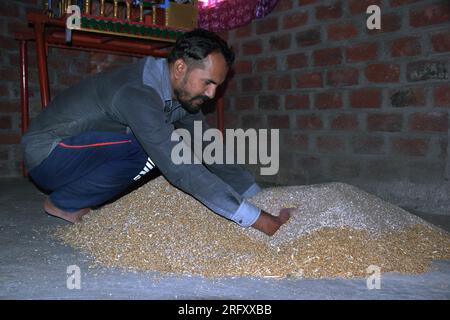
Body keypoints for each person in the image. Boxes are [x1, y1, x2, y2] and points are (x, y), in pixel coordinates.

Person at [21, 28, 291, 236]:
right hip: (48, 154)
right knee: (149, 148)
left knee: (157, 145)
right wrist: (261, 222)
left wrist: (259, 197)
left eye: (217, 86)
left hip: (79, 157)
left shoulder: (184, 98)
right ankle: (65, 202)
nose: (211, 94)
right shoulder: (136, 93)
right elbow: (180, 167)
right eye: (208, 83)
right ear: (180, 68)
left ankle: (70, 198)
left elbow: (211, 151)